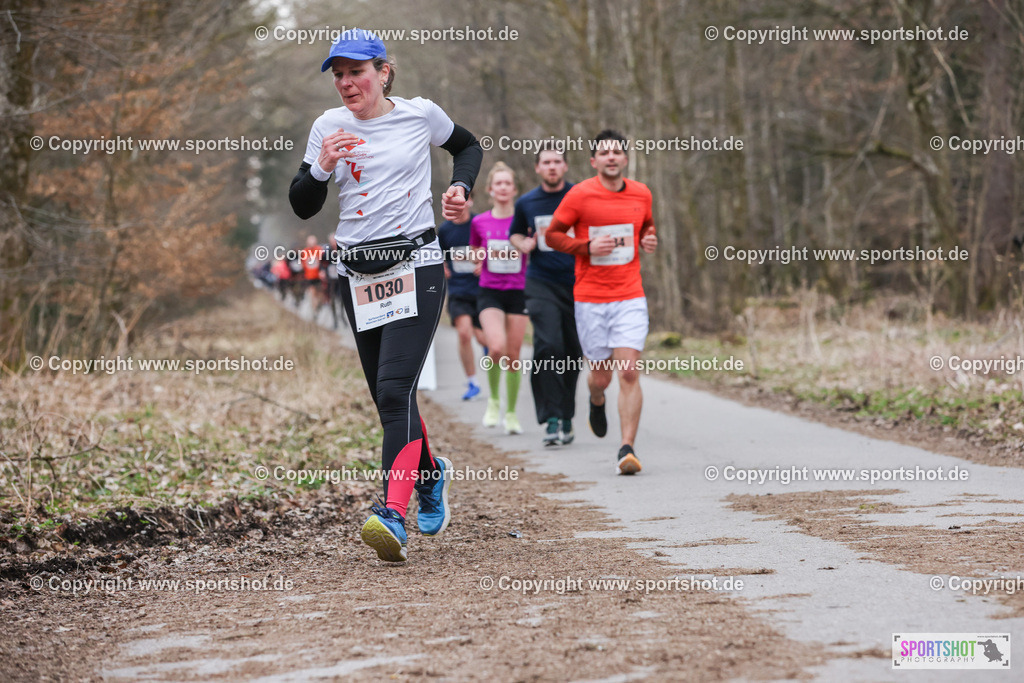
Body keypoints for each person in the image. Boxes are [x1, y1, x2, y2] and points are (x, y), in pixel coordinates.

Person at [289, 29, 482, 561]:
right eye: (339, 74)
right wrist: (322, 166)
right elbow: (303, 205)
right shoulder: (327, 127)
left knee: (396, 389)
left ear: (383, 71)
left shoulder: (419, 115)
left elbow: (467, 146)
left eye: (357, 72)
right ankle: (431, 475)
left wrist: (460, 188)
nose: (347, 83)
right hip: (358, 276)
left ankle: (391, 513)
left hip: (417, 264)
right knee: (385, 395)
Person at [545, 130, 658, 475]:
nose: (611, 157)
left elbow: (646, 228)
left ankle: (627, 449)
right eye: (604, 153)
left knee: (628, 371)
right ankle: (596, 400)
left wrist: (649, 239)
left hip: (629, 295)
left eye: (617, 152)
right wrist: (586, 247)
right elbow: (552, 235)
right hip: (591, 299)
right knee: (602, 378)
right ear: (594, 161)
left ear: (625, 159)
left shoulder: (642, 193)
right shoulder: (579, 195)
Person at [508, 144, 581, 446]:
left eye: (557, 162)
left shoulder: (580, 196)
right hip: (540, 282)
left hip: (578, 283)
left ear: (565, 167)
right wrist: (522, 244)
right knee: (548, 345)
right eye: (546, 162)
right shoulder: (527, 201)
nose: (552, 166)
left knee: (573, 351)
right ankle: (551, 417)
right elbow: (514, 233)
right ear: (537, 168)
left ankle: (566, 414)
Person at [470, 162, 527, 434]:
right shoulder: (479, 222)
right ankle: (493, 400)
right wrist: (477, 259)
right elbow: (474, 251)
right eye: (498, 183)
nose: (503, 188)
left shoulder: (524, 221)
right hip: (490, 291)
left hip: (518, 292)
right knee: (496, 348)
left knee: (514, 356)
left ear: (514, 189)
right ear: (490, 190)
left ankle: (512, 413)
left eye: (508, 183)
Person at [438, 191, 487, 400]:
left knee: (483, 337)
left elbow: (493, 249)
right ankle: (473, 383)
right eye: (457, 199)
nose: (462, 203)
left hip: (483, 290)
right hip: (458, 290)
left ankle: (488, 347)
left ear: (471, 201)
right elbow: (436, 254)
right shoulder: (445, 229)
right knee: (464, 333)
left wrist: (483, 263)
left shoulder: (480, 223)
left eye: (465, 199)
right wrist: (443, 267)